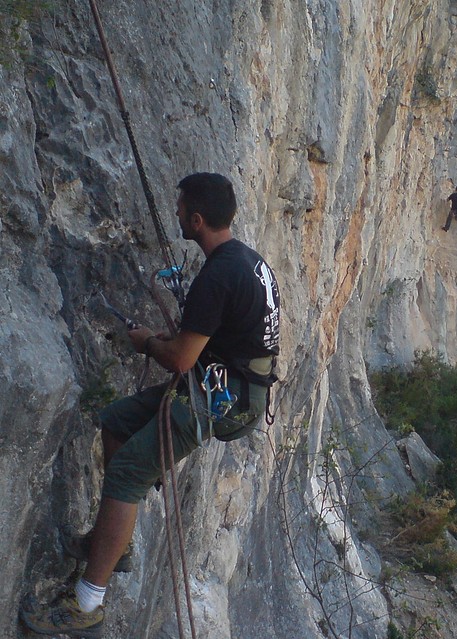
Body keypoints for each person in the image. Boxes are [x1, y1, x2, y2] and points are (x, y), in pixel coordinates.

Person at [20, 172, 280, 637]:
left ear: (197, 219)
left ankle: (87, 603)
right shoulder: (247, 261)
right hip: (231, 385)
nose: (176, 214)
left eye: (181, 209)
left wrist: (146, 344)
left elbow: (181, 359)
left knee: (127, 474)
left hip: (220, 398)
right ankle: (115, 547)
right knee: (116, 421)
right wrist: (176, 343)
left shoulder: (218, 276)